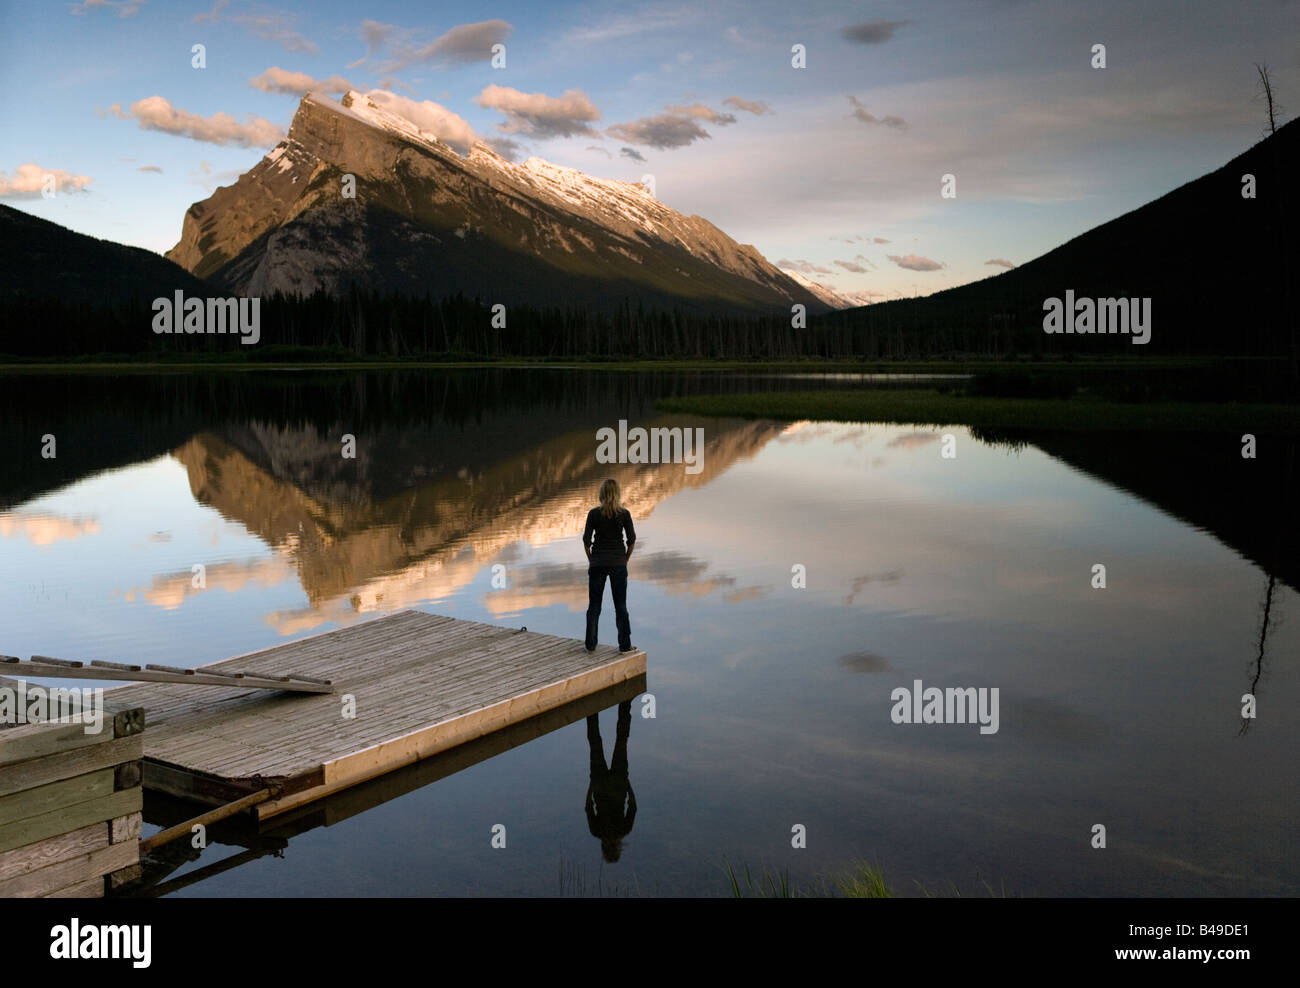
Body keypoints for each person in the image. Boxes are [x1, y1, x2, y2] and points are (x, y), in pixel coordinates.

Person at [582, 478, 635, 652]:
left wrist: (592, 560)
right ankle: (625, 645)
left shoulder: (593, 514)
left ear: (602, 494)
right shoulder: (624, 514)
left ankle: (590, 645)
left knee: (594, 606)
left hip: (597, 563)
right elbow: (632, 540)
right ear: (617, 494)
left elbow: (586, 541)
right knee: (620, 606)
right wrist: (625, 559)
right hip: (618, 563)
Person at [585, 700, 636, 863]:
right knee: (595, 742)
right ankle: (592, 709)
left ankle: (624, 704)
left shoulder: (624, 830)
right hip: (601, 784)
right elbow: (588, 807)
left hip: (618, 784)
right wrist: (591, 785)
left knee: (621, 740)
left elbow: (633, 807)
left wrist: (628, 785)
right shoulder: (597, 831)